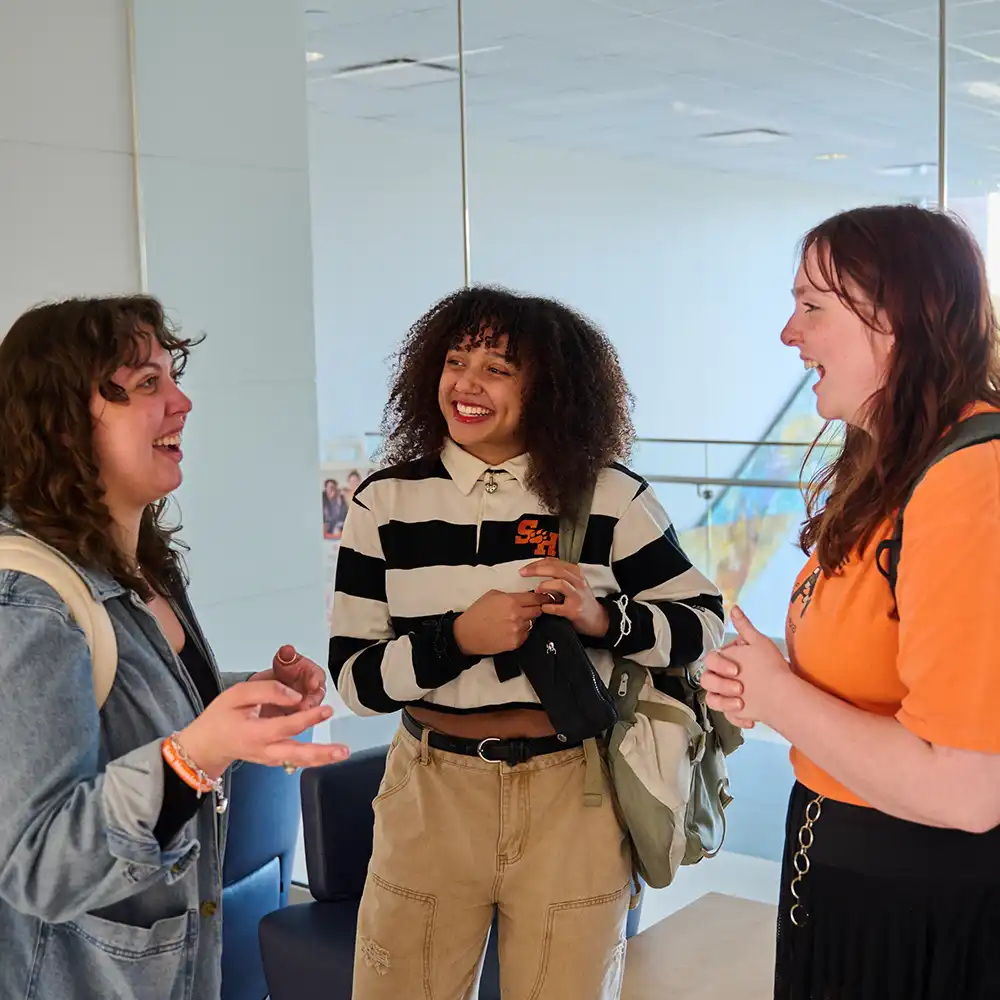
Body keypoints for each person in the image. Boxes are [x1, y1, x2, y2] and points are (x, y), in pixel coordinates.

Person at [330, 286, 724, 999]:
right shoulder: (383, 502)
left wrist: (604, 620)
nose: (466, 384)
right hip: (430, 788)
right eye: (456, 361)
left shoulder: (608, 497)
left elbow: (702, 624)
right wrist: (456, 639)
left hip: (571, 791)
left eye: (497, 368)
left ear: (550, 388)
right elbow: (355, 682)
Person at [0, 296, 349, 1000]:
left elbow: (119, 713)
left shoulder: (139, 568)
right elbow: (37, 867)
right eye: (148, 383)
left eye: (172, 376)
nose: (182, 401)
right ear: (63, 420)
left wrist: (250, 700)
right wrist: (194, 759)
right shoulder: (28, 604)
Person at [699, 206, 1000, 1000]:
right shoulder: (895, 466)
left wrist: (780, 697)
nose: (788, 335)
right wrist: (769, 688)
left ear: (895, 318)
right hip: (848, 878)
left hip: (922, 909)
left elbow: (968, 793)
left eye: (812, 307)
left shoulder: (971, 481)